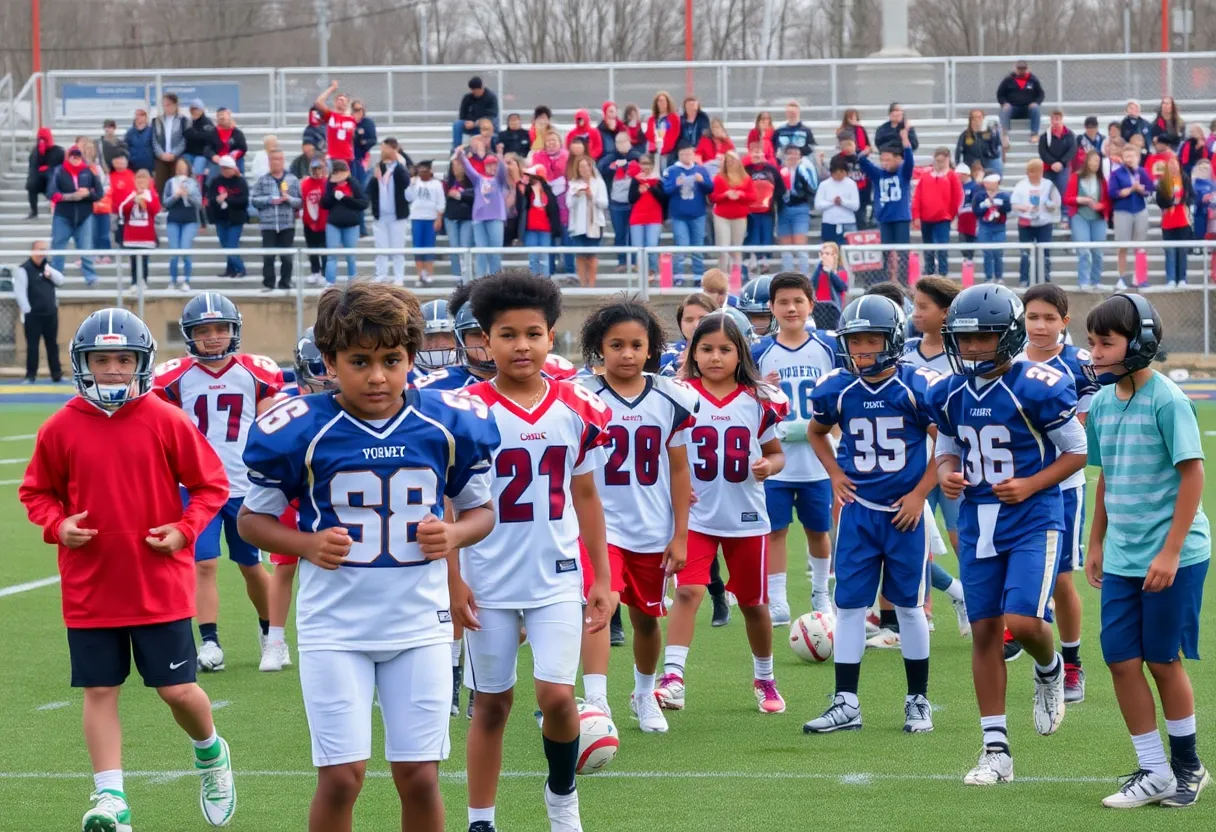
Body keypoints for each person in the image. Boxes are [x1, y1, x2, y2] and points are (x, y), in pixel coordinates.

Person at [237, 284, 496, 832]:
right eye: (359, 361)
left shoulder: (447, 422)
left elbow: (481, 512)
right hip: (335, 625)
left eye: (391, 361)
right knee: (341, 777)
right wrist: (306, 544)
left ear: (411, 359)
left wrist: (453, 536)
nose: (377, 376)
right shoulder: (301, 429)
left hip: (420, 624)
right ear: (329, 362)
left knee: (420, 775)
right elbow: (251, 521)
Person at [19, 308, 237, 831]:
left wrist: (185, 530)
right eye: (101, 359)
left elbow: (211, 485)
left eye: (123, 359)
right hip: (89, 587)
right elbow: (37, 492)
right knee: (99, 690)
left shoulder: (166, 418)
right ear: (82, 363)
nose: (112, 369)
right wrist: (57, 525)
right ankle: (110, 797)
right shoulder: (60, 426)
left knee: (178, 691)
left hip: (156, 584)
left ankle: (211, 753)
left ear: (142, 362)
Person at [455, 271, 612, 832]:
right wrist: (454, 579)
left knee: (557, 696)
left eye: (533, 333)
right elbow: (448, 506)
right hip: (487, 574)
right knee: (491, 704)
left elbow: (587, 495)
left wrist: (604, 577)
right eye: (506, 334)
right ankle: (481, 819)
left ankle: (562, 798)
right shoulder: (464, 410)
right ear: (484, 339)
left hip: (556, 572)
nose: (521, 345)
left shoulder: (577, 405)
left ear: (552, 337)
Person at [928, 283, 1087, 785]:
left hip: (1033, 516)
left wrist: (1033, 483)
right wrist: (947, 471)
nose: (973, 347)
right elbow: (947, 447)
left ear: (1010, 335)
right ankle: (996, 748)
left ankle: (1050, 666)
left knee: (1024, 619)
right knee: (985, 632)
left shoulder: (1037, 384)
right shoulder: (948, 391)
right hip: (977, 519)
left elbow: (1077, 450)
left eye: (986, 337)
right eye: (965, 338)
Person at [1084, 293, 1210, 809]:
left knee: (1162, 661)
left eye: (1105, 343)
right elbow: (1106, 478)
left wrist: (1171, 552)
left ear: (1141, 344)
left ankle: (1189, 768)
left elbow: (1193, 474)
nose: (1093, 353)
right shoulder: (1098, 403)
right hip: (1121, 559)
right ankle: (1154, 771)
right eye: (1090, 342)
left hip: (1173, 557)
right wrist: (1096, 541)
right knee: (1119, 660)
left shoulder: (1167, 400)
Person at [804, 295, 938, 735]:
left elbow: (949, 444)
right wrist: (836, 474)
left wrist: (920, 493)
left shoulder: (918, 386)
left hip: (905, 514)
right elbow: (816, 432)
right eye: (855, 342)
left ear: (894, 340)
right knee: (849, 606)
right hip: (860, 513)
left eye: (871, 341)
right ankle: (846, 702)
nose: (862, 350)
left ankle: (917, 700)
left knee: (910, 607)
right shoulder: (838, 388)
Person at [655, 309, 789, 715]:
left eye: (725, 349)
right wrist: (672, 486)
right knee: (689, 590)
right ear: (693, 352)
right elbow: (659, 451)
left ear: (740, 353)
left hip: (745, 516)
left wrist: (770, 467)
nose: (715, 357)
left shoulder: (760, 400)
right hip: (694, 516)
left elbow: (776, 454)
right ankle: (673, 677)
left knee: (753, 604)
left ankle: (765, 677)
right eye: (706, 348)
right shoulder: (676, 394)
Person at [576, 299, 698, 732]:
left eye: (636, 345)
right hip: (599, 526)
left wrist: (681, 535)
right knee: (598, 607)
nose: (626, 354)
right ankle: (594, 702)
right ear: (598, 347)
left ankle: (645, 695)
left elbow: (681, 468)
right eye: (616, 345)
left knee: (647, 618)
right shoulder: (581, 396)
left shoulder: (671, 396)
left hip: (651, 527)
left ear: (651, 349)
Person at [152, 293, 282, 674]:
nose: (213, 337)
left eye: (220, 329)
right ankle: (209, 641)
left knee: (251, 566)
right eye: (204, 330)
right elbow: (165, 432)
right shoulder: (173, 377)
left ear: (234, 330)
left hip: (246, 486)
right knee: (203, 564)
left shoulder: (256, 372)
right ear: (190, 334)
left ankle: (270, 634)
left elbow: (270, 430)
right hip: (197, 486)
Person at [1012, 284, 1097, 705]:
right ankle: (1020, 628)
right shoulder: (1008, 361)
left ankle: (1073, 660)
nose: (1040, 326)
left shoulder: (1080, 364)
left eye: (1049, 318)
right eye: (1033, 317)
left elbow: (1075, 434)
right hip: (1012, 489)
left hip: (1061, 487)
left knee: (1062, 578)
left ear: (1065, 322)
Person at [749, 272, 838, 619]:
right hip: (778, 461)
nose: (790, 308)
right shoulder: (760, 352)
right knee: (776, 531)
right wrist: (758, 388)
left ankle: (820, 593)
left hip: (817, 460)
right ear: (771, 307)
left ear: (811, 305)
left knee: (819, 530)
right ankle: (778, 599)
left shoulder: (828, 348)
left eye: (798, 301)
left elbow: (842, 397)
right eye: (783, 302)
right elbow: (747, 403)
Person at [858, 124, 915, 283]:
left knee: (902, 253)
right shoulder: (878, 174)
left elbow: (909, 160)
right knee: (883, 253)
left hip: (900, 218)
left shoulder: (903, 173)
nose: (884, 163)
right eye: (882, 160)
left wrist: (905, 140)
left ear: (898, 159)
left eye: (888, 160)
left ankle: (903, 283)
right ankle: (881, 283)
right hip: (884, 219)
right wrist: (865, 152)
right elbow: (862, 161)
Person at [48, 145, 104, 286]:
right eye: (73, 155)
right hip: (63, 216)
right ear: (68, 156)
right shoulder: (59, 171)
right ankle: (56, 277)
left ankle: (90, 277)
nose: (75, 158)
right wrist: (71, 196)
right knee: (58, 248)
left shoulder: (88, 171)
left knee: (86, 248)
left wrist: (87, 194)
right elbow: (52, 194)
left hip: (84, 216)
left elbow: (99, 193)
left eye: (78, 155)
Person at [662, 141, 713, 286]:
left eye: (689, 153)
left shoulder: (700, 169)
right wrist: (675, 184)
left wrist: (702, 181)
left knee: (698, 247)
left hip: (698, 214)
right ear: (679, 154)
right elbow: (666, 190)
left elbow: (710, 188)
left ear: (693, 153)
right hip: (679, 216)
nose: (686, 156)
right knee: (681, 246)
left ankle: (698, 277)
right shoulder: (671, 170)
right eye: (683, 154)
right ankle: (678, 275)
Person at [13, 240, 64, 383]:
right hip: (33, 315)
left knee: (52, 344)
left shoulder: (47, 268)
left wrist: (50, 273)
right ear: (33, 251)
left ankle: (56, 374)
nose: (43, 253)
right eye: (40, 249)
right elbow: (20, 293)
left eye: (45, 250)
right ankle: (30, 376)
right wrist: (27, 311)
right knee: (33, 346)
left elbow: (60, 281)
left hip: (50, 314)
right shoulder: (23, 269)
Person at [250, 149, 301, 292]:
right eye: (273, 159)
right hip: (268, 225)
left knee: (286, 257)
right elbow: (254, 201)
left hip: (287, 224)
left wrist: (288, 199)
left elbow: (299, 201)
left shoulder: (292, 179)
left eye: (279, 159)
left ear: (283, 161)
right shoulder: (262, 180)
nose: (276, 162)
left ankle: (285, 283)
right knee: (268, 257)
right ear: (269, 161)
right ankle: (268, 284)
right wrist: (269, 200)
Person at [365, 137, 411, 285]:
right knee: (381, 247)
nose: (382, 151)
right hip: (381, 215)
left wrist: (398, 155)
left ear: (393, 149)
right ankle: (381, 274)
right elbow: (369, 189)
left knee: (397, 247)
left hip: (397, 215)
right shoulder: (379, 167)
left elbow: (408, 177)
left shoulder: (400, 167)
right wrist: (374, 178)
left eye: (385, 148)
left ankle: (399, 276)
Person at [1108, 145, 1155, 289]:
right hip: (1123, 211)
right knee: (1122, 246)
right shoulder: (1116, 173)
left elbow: (1150, 189)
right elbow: (1112, 193)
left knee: (1140, 246)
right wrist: (1130, 190)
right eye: (1126, 156)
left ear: (1137, 157)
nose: (1129, 159)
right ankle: (1122, 278)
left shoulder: (1142, 171)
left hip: (1140, 210)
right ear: (1122, 157)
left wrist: (1142, 190)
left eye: (1132, 156)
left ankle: (1139, 278)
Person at [911, 148, 963, 277]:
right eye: (937, 160)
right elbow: (918, 196)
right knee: (928, 246)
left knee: (942, 247)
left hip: (943, 218)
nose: (939, 163)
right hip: (926, 218)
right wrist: (916, 215)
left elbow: (957, 197)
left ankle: (943, 273)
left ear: (947, 160)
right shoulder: (926, 175)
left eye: (942, 161)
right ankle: (929, 271)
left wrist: (951, 214)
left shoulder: (951, 176)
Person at [1063, 150, 1110, 290]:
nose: (1095, 164)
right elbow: (1067, 198)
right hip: (1080, 216)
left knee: (1098, 252)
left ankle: (1096, 281)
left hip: (1098, 218)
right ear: (1087, 161)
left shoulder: (1102, 180)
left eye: (1097, 161)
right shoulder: (1076, 177)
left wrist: (1101, 205)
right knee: (1083, 251)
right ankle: (1083, 281)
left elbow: (1108, 202)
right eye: (1093, 160)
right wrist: (1081, 200)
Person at [1010, 159, 1060, 286]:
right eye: (1031, 172)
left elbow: (1056, 202)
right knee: (1025, 253)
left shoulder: (1049, 185)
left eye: (1037, 172)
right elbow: (1014, 204)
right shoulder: (1021, 185)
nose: (1034, 175)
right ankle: (1024, 279)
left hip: (1044, 223)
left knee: (1045, 253)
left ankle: (1045, 279)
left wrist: (1050, 206)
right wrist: (1022, 208)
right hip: (1025, 223)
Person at [599, 132, 643, 271]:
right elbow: (600, 169)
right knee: (619, 233)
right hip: (616, 203)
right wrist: (613, 167)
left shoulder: (637, 155)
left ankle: (635, 261)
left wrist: (631, 165)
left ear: (629, 141)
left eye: (624, 141)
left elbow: (646, 167)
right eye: (618, 142)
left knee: (633, 233)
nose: (621, 145)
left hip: (633, 201)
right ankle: (622, 261)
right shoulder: (611, 157)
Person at [321, 160, 368, 285]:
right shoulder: (329, 185)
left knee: (350, 256)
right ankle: (329, 283)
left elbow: (363, 203)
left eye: (342, 172)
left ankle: (353, 284)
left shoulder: (354, 184)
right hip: (333, 224)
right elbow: (324, 203)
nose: (340, 176)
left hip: (351, 225)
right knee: (332, 256)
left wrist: (345, 198)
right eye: (337, 173)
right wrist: (332, 195)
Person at [567, 155, 610, 287]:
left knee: (591, 255)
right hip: (578, 225)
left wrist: (592, 197)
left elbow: (605, 203)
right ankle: (582, 284)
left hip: (595, 224)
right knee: (580, 256)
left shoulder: (598, 182)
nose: (584, 169)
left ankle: (591, 285)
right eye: (581, 167)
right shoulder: (573, 183)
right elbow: (568, 204)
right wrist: (576, 196)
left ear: (591, 167)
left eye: (586, 166)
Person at [709, 152, 756, 273]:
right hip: (722, 216)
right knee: (723, 249)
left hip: (739, 216)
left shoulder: (746, 179)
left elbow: (753, 197)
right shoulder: (719, 178)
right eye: (728, 161)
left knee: (736, 248)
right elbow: (712, 197)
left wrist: (742, 195)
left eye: (733, 160)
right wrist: (725, 195)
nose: (730, 163)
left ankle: (736, 277)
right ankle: (723, 277)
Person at [771, 144, 815, 274]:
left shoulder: (805, 169)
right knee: (786, 248)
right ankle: (787, 276)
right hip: (783, 209)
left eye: (796, 154)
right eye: (790, 153)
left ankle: (804, 275)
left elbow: (812, 187)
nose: (793, 157)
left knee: (800, 246)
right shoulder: (779, 171)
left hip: (800, 208)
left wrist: (801, 172)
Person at [205, 155, 250, 278]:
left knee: (231, 246)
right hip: (220, 218)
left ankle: (241, 268)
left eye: (228, 168)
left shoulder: (241, 182)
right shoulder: (215, 181)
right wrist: (217, 200)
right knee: (225, 245)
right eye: (224, 168)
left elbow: (244, 200)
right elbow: (210, 198)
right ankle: (231, 269)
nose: (226, 171)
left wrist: (228, 199)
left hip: (236, 219)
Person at [163, 157, 204, 291]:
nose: (180, 168)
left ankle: (186, 280)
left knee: (185, 250)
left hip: (190, 219)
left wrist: (188, 196)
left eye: (183, 166)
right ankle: (172, 281)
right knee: (174, 252)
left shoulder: (193, 182)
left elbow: (199, 203)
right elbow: (165, 203)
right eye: (178, 166)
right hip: (174, 219)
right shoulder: (170, 182)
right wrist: (176, 196)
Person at [117, 168, 160, 293]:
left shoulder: (152, 195)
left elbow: (154, 210)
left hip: (146, 235)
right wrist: (132, 201)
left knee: (144, 260)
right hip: (132, 234)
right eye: (139, 178)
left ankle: (144, 280)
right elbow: (122, 210)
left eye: (144, 178)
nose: (141, 181)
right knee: (133, 260)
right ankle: (134, 282)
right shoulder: (130, 193)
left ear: (149, 181)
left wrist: (144, 202)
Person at [743, 142, 782, 274]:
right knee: (753, 236)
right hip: (750, 211)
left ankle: (765, 260)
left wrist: (772, 200)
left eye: (759, 152)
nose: (757, 154)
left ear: (764, 154)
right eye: (754, 152)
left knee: (766, 236)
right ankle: (752, 259)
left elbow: (780, 188)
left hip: (767, 210)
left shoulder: (771, 170)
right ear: (750, 153)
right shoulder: (745, 169)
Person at [405, 160, 446, 285]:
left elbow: (441, 201)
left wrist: (439, 218)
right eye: (420, 171)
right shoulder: (415, 182)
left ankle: (429, 273)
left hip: (431, 218)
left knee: (429, 246)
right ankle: (419, 275)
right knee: (418, 247)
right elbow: (408, 197)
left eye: (425, 170)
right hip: (417, 217)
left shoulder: (436, 184)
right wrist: (411, 184)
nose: (423, 173)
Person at [1157, 157, 1193, 288]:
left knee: (1182, 251)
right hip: (1168, 220)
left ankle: (1182, 279)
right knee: (1170, 251)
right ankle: (1171, 279)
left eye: (1174, 164)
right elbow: (1159, 200)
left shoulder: (1185, 179)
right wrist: (1170, 203)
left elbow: (1191, 196)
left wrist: (1185, 203)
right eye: (1170, 164)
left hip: (1182, 219)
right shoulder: (1162, 182)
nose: (1172, 166)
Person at [628, 154, 665, 276]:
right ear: (639, 165)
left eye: (648, 164)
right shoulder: (635, 180)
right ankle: (640, 274)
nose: (646, 166)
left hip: (654, 218)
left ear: (653, 165)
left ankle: (652, 272)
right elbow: (631, 199)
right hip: (637, 218)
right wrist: (639, 192)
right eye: (643, 163)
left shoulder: (658, 181)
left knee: (652, 246)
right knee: (637, 247)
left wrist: (651, 188)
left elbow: (663, 199)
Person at [815, 153, 860, 249]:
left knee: (849, 252)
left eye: (842, 172)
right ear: (831, 172)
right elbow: (818, 205)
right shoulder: (824, 185)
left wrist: (842, 202)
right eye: (836, 173)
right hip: (829, 223)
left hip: (848, 223)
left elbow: (856, 205)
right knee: (830, 252)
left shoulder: (851, 184)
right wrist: (832, 202)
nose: (839, 176)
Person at [973, 173, 1011, 283]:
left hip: (999, 226)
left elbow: (1007, 208)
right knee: (987, 253)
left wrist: (998, 204)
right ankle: (988, 277)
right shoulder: (980, 196)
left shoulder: (1003, 195)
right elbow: (976, 211)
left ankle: (999, 276)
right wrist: (985, 206)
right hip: (985, 226)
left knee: (998, 253)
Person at [443, 153, 476, 280]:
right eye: (455, 164)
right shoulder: (447, 182)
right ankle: (457, 276)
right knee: (454, 248)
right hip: (451, 218)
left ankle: (467, 276)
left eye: (460, 164)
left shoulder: (472, 181)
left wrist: (459, 195)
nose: (458, 167)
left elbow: (475, 196)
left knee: (465, 246)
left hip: (466, 217)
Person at [996, 60, 1045, 143]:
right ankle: (1004, 136)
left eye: (1024, 68)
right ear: (1016, 69)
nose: (1021, 70)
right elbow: (1000, 94)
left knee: (1036, 108)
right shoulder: (1008, 80)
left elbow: (1041, 94)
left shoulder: (1033, 80)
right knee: (1005, 109)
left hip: (1028, 109)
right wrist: (1004, 103)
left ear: (1027, 69)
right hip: (1013, 109)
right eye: (1019, 68)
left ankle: (1034, 134)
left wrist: (1036, 102)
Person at [300, 157, 330, 285]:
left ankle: (324, 273)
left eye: (319, 168)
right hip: (309, 221)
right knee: (311, 247)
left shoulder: (327, 183)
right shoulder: (305, 183)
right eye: (315, 169)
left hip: (325, 221)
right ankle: (315, 271)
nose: (317, 171)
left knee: (324, 248)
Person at [152, 93, 189, 193]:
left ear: (175, 105)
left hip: (177, 157)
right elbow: (154, 140)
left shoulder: (183, 120)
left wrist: (174, 154)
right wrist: (161, 154)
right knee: (160, 183)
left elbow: (184, 140)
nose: (166, 107)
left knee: (176, 183)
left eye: (168, 104)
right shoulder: (157, 121)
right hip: (161, 157)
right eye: (164, 105)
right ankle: (162, 205)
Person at [314, 81, 357, 166]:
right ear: (335, 102)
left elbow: (351, 139)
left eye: (344, 100)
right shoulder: (331, 116)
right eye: (339, 99)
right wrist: (332, 88)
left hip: (347, 157)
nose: (341, 101)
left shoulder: (351, 119)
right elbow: (319, 102)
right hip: (333, 157)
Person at [25, 127, 64, 220]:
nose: (42, 142)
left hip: (53, 180)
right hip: (39, 179)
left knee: (52, 176)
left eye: (44, 139)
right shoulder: (35, 152)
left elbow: (61, 168)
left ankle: (56, 209)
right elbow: (32, 169)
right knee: (31, 185)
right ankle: (34, 211)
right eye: (40, 139)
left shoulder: (57, 151)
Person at [453, 75, 499, 149]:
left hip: (485, 125)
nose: (476, 93)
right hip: (471, 125)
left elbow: (492, 115)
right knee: (457, 124)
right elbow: (462, 115)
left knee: (490, 123)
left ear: (482, 88)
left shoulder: (491, 97)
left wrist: (477, 123)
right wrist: (467, 122)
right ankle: (456, 150)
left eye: (478, 90)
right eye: (473, 90)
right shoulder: (467, 98)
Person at [1038, 110, 1076, 199]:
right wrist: (1052, 163)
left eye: (1057, 119)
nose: (1055, 121)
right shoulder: (1045, 136)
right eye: (1053, 119)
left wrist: (1061, 163)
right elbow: (1042, 152)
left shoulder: (1070, 135)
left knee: (1063, 192)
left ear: (1062, 119)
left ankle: (1064, 212)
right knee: (1046, 193)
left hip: (1063, 168)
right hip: (1048, 169)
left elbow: (1072, 150)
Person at [955, 110, 1002, 176]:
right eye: (974, 118)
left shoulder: (990, 132)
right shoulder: (965, 135)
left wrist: (993, 134)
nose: (977, 121)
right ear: (970, 121)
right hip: (972, 163)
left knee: (996, 163)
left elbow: (996, 148)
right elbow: (958, 151)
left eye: (980, 117)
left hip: (988, 160)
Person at [209, 108, 248, 181]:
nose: (221, 117)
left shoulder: (237, 133)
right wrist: (213, 155)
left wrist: (233, 156)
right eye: (219, 115)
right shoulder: (212, 132)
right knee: (212, 176)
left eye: (223, 115)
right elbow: (207, 148)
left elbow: (243, 148)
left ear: (229, 116)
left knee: (239, 169)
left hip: (234, 159)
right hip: (218, 160)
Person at [183, 99, 216, 180]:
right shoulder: (188, 121)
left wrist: (194, 134)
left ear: (202, 110)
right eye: (192, 109)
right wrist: (196, 134)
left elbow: (208, 136)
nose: (194, 111)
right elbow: (185, 134)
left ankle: (198, 191)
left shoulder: (207, 122)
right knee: (185, 173)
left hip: (201, 154)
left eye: (196, 109)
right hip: (188, 153)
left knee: (197, 173)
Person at [647, 91, 680, 163]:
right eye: (659, 101)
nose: (661, 103)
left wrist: (664, 149)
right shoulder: (651, 119)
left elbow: (674, 134)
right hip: (654, 150)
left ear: (668, 102)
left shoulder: (673, 118)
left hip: (668, 151)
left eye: (663, 101)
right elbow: (649, 135)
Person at [351, 100, 377, 189]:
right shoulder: (348, 122)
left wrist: (364, 142)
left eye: (360, 109)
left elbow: (373, 140)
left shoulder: (368, 123)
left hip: (362, 155)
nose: (358, 112)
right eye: (355, 110)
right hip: (348, 155)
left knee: (361, 182)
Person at [125, 109, 156, 175]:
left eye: (141, 115)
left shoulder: (152, 131)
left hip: (149, 169)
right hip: (133, 168)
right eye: (137, 115)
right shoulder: (130, 133)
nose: (138, 117)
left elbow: (156, 148)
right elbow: (125, 149)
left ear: (146, 117)